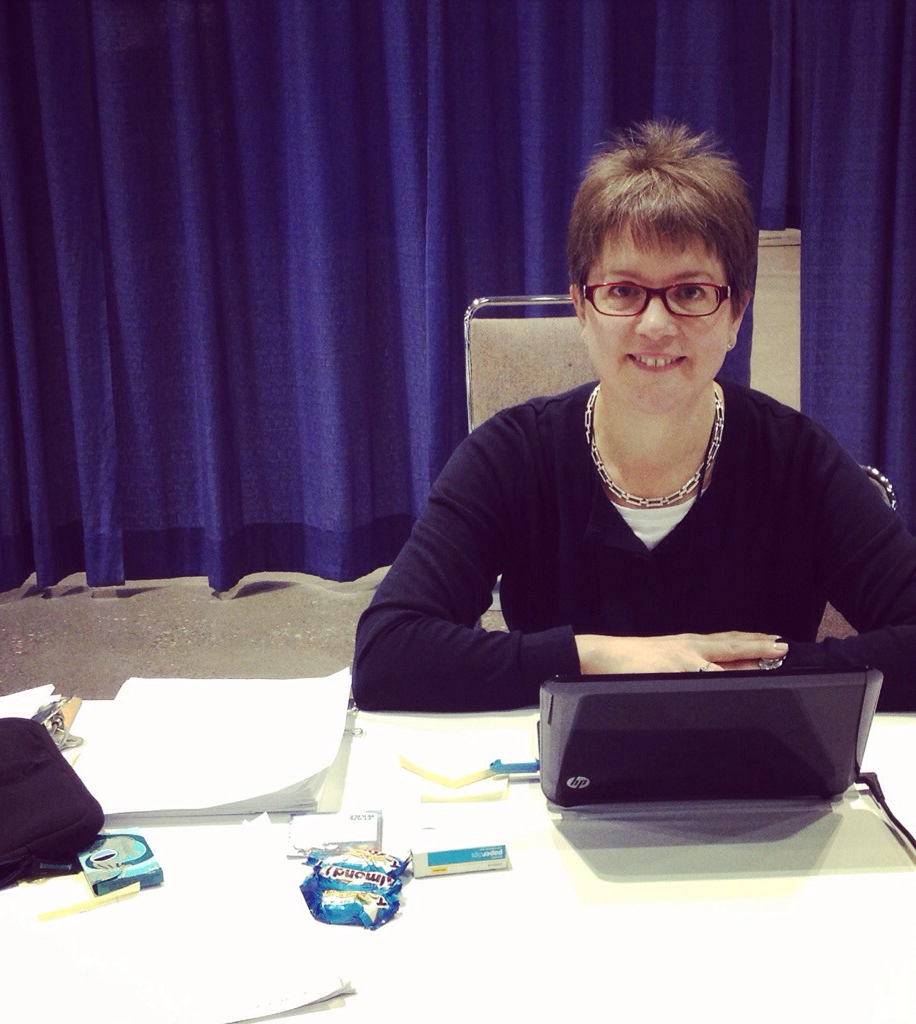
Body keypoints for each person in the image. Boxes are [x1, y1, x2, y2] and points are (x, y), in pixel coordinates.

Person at [352, 121, 916, 713]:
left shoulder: (797, 460)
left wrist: (759, 674)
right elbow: (387, 654)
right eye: (623, 290)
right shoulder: (511, 454)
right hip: (566, 768)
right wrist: (605, 657)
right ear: (581, 307)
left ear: (735, 315)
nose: (655, 325)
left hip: (760, 758)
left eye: (691, 292)